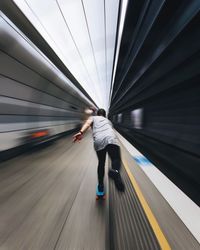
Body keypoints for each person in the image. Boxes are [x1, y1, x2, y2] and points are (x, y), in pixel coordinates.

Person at [73, 108, 125, 194]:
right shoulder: (108, 121)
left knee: (101, 163)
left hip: (99, 140)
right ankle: (115, 172)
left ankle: (100, 187)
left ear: (97, 114)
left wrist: (81, 132)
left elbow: (87, 123)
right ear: (105, 115)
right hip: (111, 138)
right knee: (116, 158)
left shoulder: (93, 118)